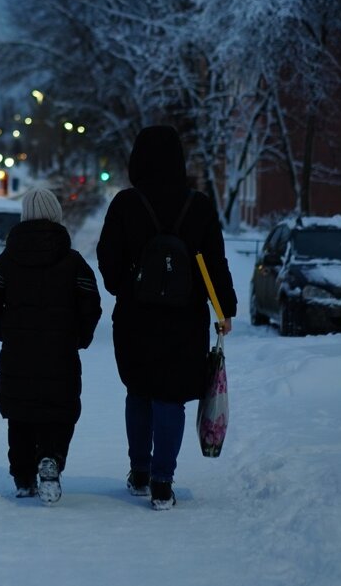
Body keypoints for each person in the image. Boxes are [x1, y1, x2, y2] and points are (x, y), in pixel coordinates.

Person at [96, 125, 236, 510]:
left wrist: (128, 285)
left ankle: (139, 472)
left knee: (139, 391)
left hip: (135, 319)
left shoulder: (126, 204)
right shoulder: (200, 206)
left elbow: (107, 263)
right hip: (184, 321)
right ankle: (162, 483)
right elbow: (215, 265)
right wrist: (224, 310)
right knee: (171, 398)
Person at [0, 187, 102, 505]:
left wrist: (4, 331)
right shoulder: (73, 262)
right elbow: (91, 302)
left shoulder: (6, 261)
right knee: (58, 410)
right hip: (60, 353)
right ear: (57, 215)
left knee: (20, 412)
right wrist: (80, 337)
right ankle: (51, 458)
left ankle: (22, 476)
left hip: (18, 353)